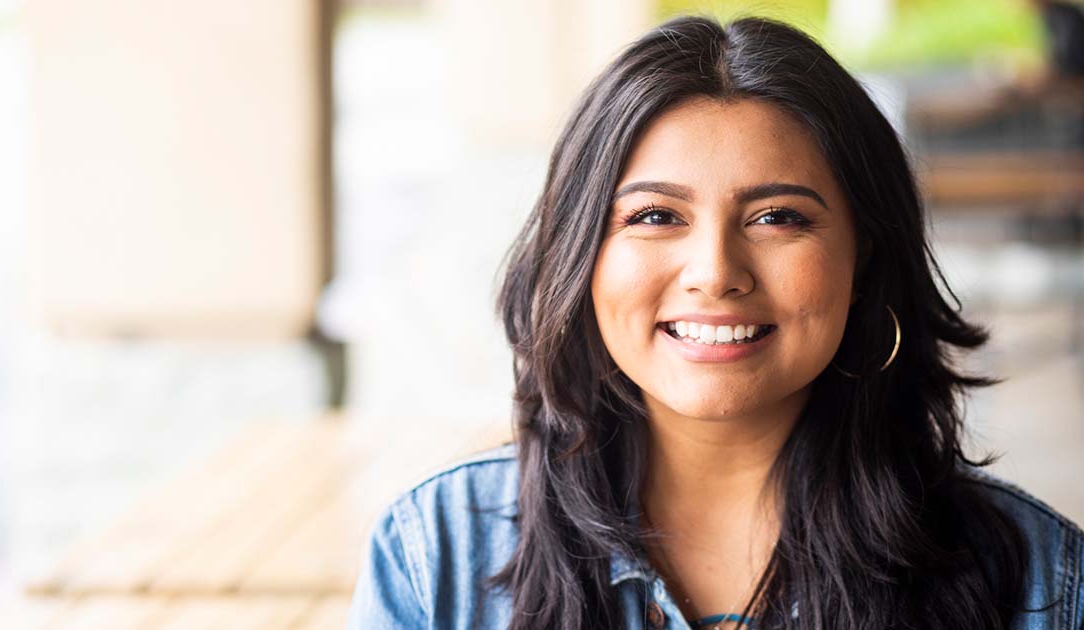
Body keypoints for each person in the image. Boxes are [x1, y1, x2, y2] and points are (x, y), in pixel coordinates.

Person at [347, 15, 1084, 629]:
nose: (714, 270)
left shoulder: (1037, 580)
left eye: (777, 217)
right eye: (656, 216)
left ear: (863, 261)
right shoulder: (437, 553)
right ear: (579, 257)